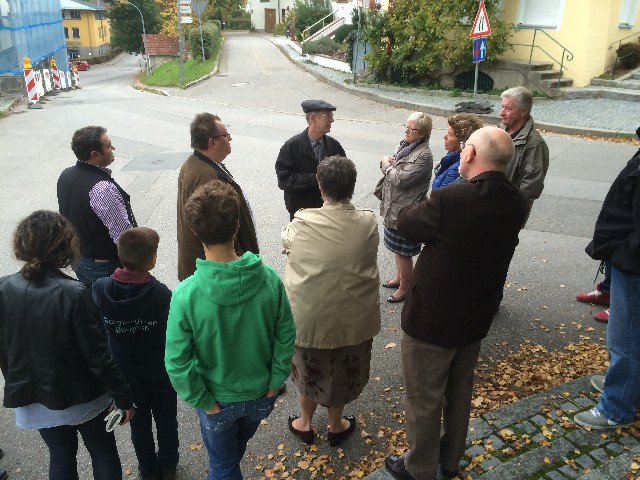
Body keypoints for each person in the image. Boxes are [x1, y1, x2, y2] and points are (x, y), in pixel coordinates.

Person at [384, 127, 527, 480]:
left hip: (432, 321)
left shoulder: (451, 199)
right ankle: (449, 461)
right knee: (459, 393)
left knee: (424, 397)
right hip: (474, 318)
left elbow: (406, 223)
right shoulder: (516, 202)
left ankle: (419, 467)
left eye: (465, 147)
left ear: (471, 153)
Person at [165, 180, 295, 480]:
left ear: (194, 231)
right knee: (232, 455)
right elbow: (285, 336)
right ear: (237, 226)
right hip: (261, 394)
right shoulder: (270, 280)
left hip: (216, 401)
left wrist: (205, 402)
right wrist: (274, 383)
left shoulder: (186, 295)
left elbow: (177, 363)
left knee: (223, 465)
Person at [0, 210, 135, 480]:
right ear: (65, 245)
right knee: (102, 451)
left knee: (60, 454)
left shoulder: (3, 288)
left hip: (34, 396)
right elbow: (99, 356)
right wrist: (123, 398)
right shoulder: (75, 293)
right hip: (81, 394)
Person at [282, 156, 380, 447]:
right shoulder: (368, 223)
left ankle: (305, 423)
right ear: (352, 186)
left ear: (320, 186)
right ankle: (336, 426)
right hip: (355, 321)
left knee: (308, 372)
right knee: (343, 373)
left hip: (311, 320)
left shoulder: (301, 223)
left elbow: (287, 244)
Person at [92, 227, 179, 480]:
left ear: (120, 255)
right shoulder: (160, 294)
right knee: (166, 421)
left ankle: (147, 470)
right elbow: (169, 336)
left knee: (138, 426)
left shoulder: (101, 288)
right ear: (152, 260)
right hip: (159, 371)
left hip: (125, 373)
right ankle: (168, 466)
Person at [574, 129, 640, 430]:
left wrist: (624, 253)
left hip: (634, 265)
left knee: (625, 338)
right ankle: (626, 385)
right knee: (627, 337)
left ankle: (616, 406)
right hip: (628, 259)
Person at [177, 112, 259, 281]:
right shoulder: (206, 177)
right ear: (212, 142)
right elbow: (218, 229)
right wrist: (241, 264)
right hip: (220, 273)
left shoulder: (196, 163)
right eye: (226, 135)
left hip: (208, 269)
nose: (230, 139)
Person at [57, 126, 137, 285]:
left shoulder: (66, 175)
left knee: (92, 297)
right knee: (114, 300)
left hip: (79, 259)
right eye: (108, 146)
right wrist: (138, 266)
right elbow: (124, 236)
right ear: (95, 155)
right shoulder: (102, 188)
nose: (113, 149)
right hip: (104, 266)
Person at [378, 112, 434, 303]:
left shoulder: (424, 155)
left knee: (404, 252)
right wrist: (391, 162)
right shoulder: (406, 146)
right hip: (394, 206)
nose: (407, 131)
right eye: (406, 126)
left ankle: (405, 288)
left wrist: (386, 166)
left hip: (406, 211)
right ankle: (400, 278)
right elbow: (399, 168)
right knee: (397, 249)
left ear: (423, 133)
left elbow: (401, 179)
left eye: (412, 129)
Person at [275, 100, 346, 220]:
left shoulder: (334, 146)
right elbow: (284, 180)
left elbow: (345, 177)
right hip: (302, 214)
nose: (332, 120)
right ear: (313, 119)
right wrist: (317, 178)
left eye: (332, 115)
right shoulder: (291, 147)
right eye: (328, 115)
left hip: (329, 214)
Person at [499, 86, 550, 222]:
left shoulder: (534, 144)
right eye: (502, 107)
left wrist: (504, 208)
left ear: (523, 112)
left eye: (508, 109)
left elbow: (530, 187)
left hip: (506, 214)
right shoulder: (499, 131)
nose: (501, 113)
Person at [432, 114, 484, 189]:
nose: (445, 137)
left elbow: (442, 193)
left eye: (450, 134)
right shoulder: (452, 155)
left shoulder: (457, 169)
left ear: (462, 142)